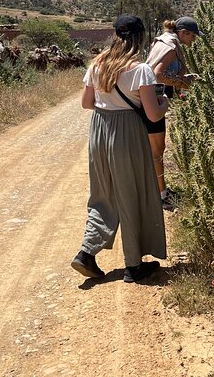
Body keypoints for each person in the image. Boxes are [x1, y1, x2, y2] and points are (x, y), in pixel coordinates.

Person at [71, 14, 169, 283]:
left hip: (99, 130)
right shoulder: (140, 69)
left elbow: (86, 103)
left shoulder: (97, 64)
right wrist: (164, 103)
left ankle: (87, 252)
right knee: (132, 193)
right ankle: (133, 264)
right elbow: (152, 114)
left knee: (102, 194)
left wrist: (109, 106)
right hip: (127, 133)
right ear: (140, 38)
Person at [145, 16, 202, 210]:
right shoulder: (170, 47)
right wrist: (182, 82)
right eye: (193, 36)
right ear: (184, 33)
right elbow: (158, 74)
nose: (193, 40)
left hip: (152, 99)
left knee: (156, 151)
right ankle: (161, 196)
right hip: (152, 100)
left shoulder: (164, 41)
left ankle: (158, 191)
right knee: (156, 151)